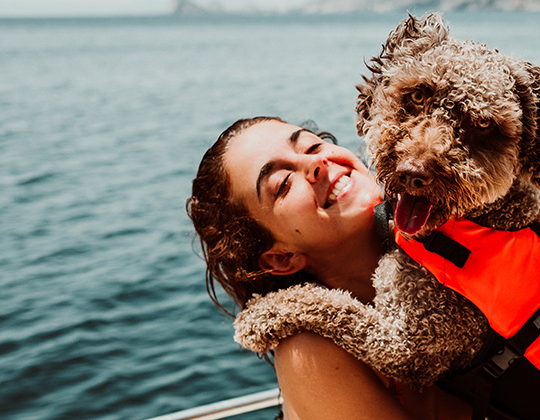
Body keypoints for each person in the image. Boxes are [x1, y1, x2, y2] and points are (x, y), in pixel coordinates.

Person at [186, 116, 472, 420]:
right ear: (281, 258)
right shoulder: (309, 349)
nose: (315, 164)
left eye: (311, 146)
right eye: (282, 185)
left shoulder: (451, 226)